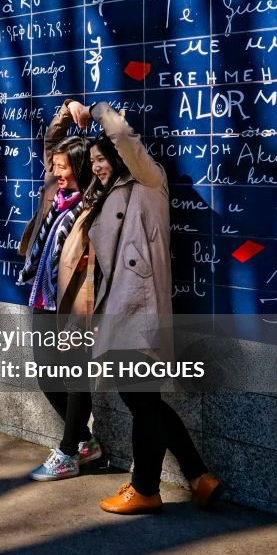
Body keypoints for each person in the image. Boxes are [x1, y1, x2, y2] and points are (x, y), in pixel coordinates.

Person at [77, 102, 221, 514]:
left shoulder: (147, 179)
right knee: (146, 399)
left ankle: (145, 489)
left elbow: (123, 136)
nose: (98, 166)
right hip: (122, 309)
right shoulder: (106, 194)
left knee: (140, 401)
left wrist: (94, 110)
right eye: (93, 161)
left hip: (137, 309)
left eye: (103, 158)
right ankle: (198, 476)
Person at [17, 99, 99, 481]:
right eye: (55, 167)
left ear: (80, 169)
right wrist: (69, 109)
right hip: (43, 296)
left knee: (77, 374)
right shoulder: (54, 196)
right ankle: (84, 442)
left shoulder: (93, 206)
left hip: (74, 304)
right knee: (48, 375)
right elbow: (53, 139)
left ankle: (68, 452)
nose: (56, 172)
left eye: (64, 168)